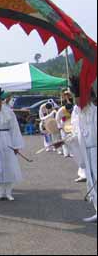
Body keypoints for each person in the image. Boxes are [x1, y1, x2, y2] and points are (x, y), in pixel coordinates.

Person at [55, 79, 97, 223]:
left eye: (81, 101)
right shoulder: (77, 112)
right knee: (91, 181)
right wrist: (63, 141)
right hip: (87, 152)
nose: (78, 104)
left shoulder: (95, 112)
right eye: (76, 101)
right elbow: (76, 133)